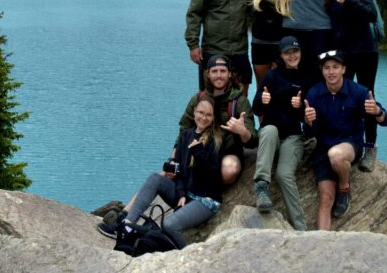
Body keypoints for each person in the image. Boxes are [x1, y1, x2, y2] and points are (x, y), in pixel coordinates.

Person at [97, 96, 224, 248]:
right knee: (154, 179)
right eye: (200, 112)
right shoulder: (186, 136)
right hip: (186, 195)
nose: (203, 117)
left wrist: (198, 153)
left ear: (213, 117)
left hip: (204, 199)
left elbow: (213, 177)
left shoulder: (216, 140)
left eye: (208, 115)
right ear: (194, 112)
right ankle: (127, 225)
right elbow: (181, 173)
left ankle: (187, 255)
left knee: (169, 225)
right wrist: (182, 193)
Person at [303, 50, 387, 230]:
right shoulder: (314, 93)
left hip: (350, 145)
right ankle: (320, 242)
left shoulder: (358, 92)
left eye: (335, 67)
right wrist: (309, 122)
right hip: (323, 149)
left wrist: (377, 112)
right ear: (322, 71)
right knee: (326, 199)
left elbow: (385, 120)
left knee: (336, 155)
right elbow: (310, 132)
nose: (331, 72)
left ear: (344, 69)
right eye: (327, 68)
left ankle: (344, 186)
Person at [322, 0, 382, 173]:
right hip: (343, 54)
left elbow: (371, 14)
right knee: (342, 96)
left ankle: (370, 148)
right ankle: (346, 141)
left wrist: (349, 1)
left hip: (365, 51)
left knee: (367, 97)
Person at [251, 35, 309, 230]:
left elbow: (309, 117)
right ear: (281, 55)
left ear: (300, 52)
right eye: (287, 53)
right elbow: (256, 109)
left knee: (284, 175)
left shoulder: (305, 77)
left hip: (293, 136)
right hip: (272, 135)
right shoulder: (271, 76)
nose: (292, 56)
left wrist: (300, 106)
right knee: (268, 130)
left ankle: (300, 227)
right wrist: (262, 100)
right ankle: (261, 186)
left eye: (295, 51)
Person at [178, 55, 257, 184]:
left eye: (223, 71)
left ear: (230, 74)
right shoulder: (198, 99)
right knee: (165, 173)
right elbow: (184, 129)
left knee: (230, 170)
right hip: (200, 150)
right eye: (214, 71)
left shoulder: (240, 101)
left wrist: (242, 131)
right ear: (208, 74)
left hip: (228, 152)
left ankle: (203, 189)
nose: (219, 75)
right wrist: (174, 157)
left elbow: (253, 141)